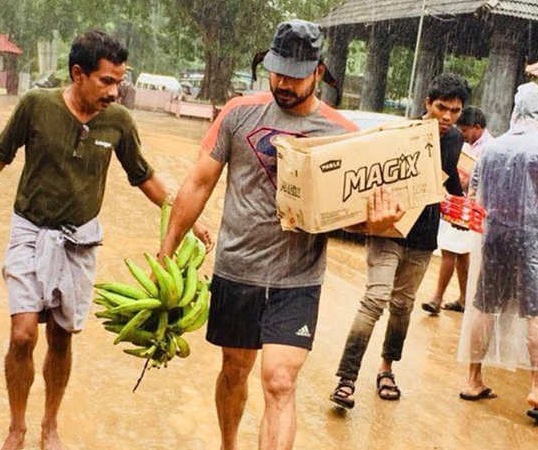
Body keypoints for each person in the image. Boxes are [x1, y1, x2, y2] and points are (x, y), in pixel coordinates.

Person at [0, 30, 210, 450]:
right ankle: (17, 426)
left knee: (62, 338)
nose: (115, 91)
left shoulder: (119, 122)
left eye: (120, 81)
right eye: (106, 81)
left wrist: (188, 219)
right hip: (30, 229)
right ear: (78, 74)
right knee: (23, 334)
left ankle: (50, 424)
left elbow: (145, 178)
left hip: (80, 239)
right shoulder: (36, 105)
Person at [158, 19, 404, 450]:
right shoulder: (238, 113)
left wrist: (378, 223)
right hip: (237, 269)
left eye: (295, 73)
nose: (284, 82)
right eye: (277, 70)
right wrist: (166, 250)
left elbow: (352, 218)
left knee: (279, 381)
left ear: (319, 72)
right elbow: (198, 182)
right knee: (234, 371)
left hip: (298, 280)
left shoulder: (343, 137)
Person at [330, 73, 469, 409]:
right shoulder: (400, 134)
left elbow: (448, 184)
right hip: (388, 229)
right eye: (441, 108)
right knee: (375, 299)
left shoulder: (455, 141)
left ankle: (386, 369)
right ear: (427, 104)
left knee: (403, 305)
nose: (447, 117)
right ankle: (346, 379)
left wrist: (464, 203)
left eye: (455, 110)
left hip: (423, 237)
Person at [456, 82, 538, 426]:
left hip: (496, 236)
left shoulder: (492, 149)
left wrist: (496, 216)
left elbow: (474, 195)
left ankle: (473, 379)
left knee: (485, 304)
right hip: (534, 239)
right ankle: (537, 387)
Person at [424, 106, 492, 315]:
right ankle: (464, 298)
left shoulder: (490, 149)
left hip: (470, 207)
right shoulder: (463, 144)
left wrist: (467, 182)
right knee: (462, 254)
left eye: (464, 131)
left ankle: (437, 297)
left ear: (477, 128)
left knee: (449, 249)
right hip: (456, 202)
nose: (461, 135)